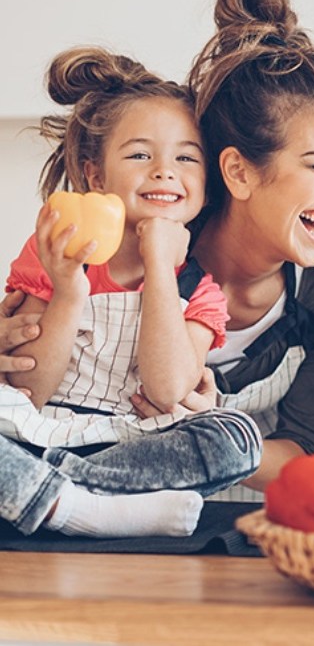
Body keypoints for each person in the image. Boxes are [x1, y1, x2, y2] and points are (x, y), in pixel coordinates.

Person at [0, 47, 262, 536]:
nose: (164, 170)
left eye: (186, 157)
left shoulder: (199, 291)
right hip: (37, 431)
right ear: (96, 175)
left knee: (238, 436)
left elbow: (167, 392)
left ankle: (57, 495)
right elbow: (29, 392)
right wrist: (69, 292)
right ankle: (88, 509)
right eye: (140, 154)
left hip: (129, 445)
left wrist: (161, 265)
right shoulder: (54, 254)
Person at [126, 0, 314, 501]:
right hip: (115, 528)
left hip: (252, 540)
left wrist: (211, 427)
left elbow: (304, 449)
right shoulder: (138, 248)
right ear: (238, 172)